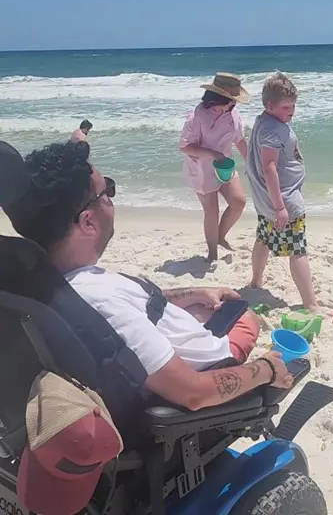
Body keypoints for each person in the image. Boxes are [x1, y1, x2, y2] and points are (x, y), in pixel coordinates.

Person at [4, 141, 292, 411]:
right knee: (246, 317)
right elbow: (193, 392)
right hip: (213, 370)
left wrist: (191, 294)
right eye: (108, 192)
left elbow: (130, 309)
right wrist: (265, 369)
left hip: (164, 343)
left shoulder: (46, 280)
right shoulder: (103, 302)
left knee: (209, 308)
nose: (111, 200)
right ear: (88, 222)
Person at [246, 73, 320, 312]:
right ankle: (310, 303)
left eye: (294, 105)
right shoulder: (274, 130)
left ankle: (256, 281)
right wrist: (280, 207)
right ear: (270, 105)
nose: (292, 111)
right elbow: (269, 168)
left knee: (263, 239)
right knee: (298, 250)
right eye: (286, 107)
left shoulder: (263, 121)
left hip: (266, 201)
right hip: (284, 201)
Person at [179, 73, 248, 266]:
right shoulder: (197, 117)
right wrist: (212, 154)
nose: (233, 106)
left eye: (234, 102)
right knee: (212, 211)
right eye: (230, 102)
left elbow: (240, 140)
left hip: (224, 164)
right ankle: (212, 253)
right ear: (217, 100)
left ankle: (220, 236)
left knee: (239, 202)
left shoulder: (233, 113)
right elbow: (184, 147)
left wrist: (251, 162)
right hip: (201, 168)